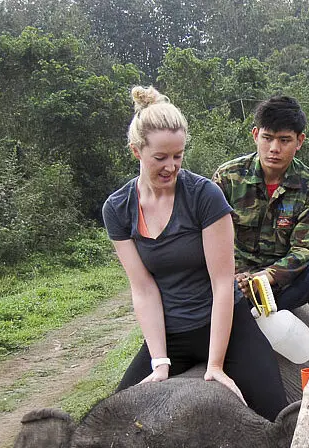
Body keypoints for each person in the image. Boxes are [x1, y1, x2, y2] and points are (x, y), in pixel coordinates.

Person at [102, 86, 287, 421]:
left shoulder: (204, 195)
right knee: (116, 419)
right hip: (170, 334)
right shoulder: (117, 208)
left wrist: (215, 364)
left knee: (277, 416)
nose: (171, 167)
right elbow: (143, 288)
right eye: (160, 158)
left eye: (178, 156)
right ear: (136, 151)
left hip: (223, 326)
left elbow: (221, 283)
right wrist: (160, 363)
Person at [213, 96, 309, 323]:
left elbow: (305, 250)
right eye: (267, 138)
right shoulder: (228, 178)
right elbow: (210, 241)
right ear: (256, 135)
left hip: (285, 286)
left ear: (299, 141)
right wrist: (237, 278)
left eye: (284, 140)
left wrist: (264, 278)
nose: (274, 149)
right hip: (234, 287)